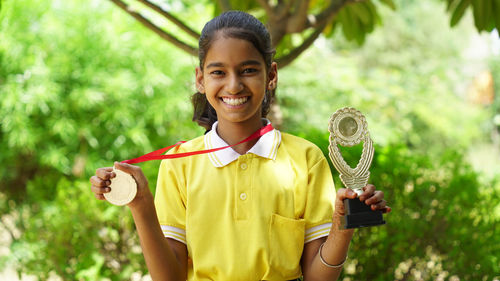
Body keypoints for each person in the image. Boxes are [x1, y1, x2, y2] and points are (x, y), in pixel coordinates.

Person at [90, 10, 391, 281]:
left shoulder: (305, 159)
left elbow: (317, 277)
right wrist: (141, 204)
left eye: (248, 70)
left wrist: (343, 225)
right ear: (200, 79)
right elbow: (171, 277)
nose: (233, 85)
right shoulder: (179, 162)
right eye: (218, 72)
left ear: (271, 75)